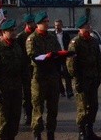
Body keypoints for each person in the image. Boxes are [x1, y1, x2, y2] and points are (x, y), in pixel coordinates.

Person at [26, 11, 70, 140]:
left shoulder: (51, 37)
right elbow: (32, 56)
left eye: (47, 22)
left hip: (52, 77)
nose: (47, 24)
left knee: (53, 109)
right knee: (38, 109)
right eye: (44, 22)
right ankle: (37, 133)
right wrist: (47, 57)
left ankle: (50, 133)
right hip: (39, 78)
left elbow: (56, 51)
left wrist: (62, 55)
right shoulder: (32, 38)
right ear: (38, 24)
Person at [0, 19, 24, 140]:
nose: (14, 32)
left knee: (15, 119)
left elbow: (22, 68)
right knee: (3, 121)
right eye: (10, 31)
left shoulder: (17, 47)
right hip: (3, 90)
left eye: (14, 30)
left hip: (16, 89)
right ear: (3, 33)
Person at [67, 15, 101, 140]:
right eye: (87, 26)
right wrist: (76, 80)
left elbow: (98, 59)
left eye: (89, 25)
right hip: (82, 80)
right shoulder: (75, 42)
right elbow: (71, 64)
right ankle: (82, 133)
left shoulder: (93, 41)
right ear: (82, 28)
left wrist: (99, 75)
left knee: (93, 106)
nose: (89, 27)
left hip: (93, 79)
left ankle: (90, 130)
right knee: (83, 107)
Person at [17, 13, 36, 126]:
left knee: (36, 94)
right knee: (27, 94)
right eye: (32, 22)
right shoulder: (21, 37)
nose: (34, 24)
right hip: (25, 69)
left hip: (36, 69)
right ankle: (27, 115)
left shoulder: (36, 35)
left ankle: (35, 115)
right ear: (28, 24)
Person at [54, 19, 73, 98]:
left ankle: (69, 91)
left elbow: (69, 45)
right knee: (58, 75)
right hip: (56, 57)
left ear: (61, 25)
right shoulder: (52, 35)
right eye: (55, 25)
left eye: (58, 25)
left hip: (65, 56)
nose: (57, 27)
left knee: (67, 74)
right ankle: (61, 91)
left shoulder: (66, 35)